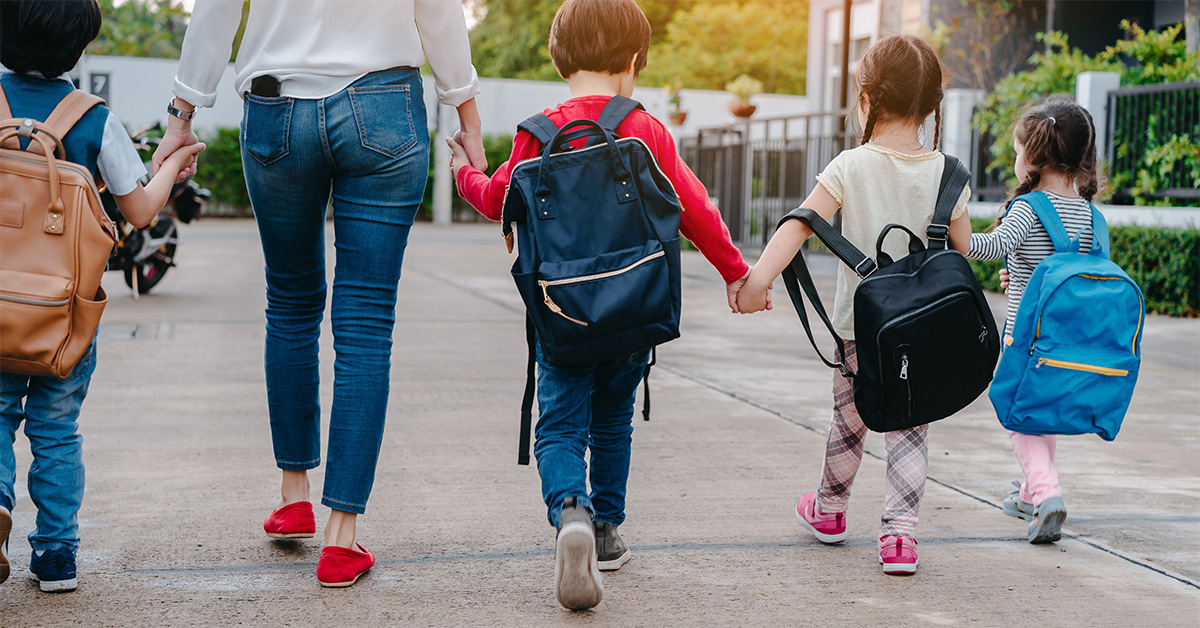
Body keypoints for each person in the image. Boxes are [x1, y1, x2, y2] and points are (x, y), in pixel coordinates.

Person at [154, 0, 485, 588]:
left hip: (277, 108)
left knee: (290, 304)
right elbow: (436, 10)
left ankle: (293, 496)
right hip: (385, 107)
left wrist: (182, 112)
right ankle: (341, 538)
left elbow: (216, 10)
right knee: (364, 323)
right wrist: (466, 111)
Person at [448, 0, 750, 609]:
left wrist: (463, 172)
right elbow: (695, 210)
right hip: (635, 310)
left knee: (560, 424)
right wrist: (737, 273)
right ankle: (607, 531)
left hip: (562, 314)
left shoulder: (539, 132)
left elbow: (496, 200)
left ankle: (572, 514)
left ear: (559, 59)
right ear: (635, 61)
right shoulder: (644, 129)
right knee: (613, 417)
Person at [736, 35, 972, 575]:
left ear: (865, 100)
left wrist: (757, 281)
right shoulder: (949, 174)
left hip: (859, 330)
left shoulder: (849, 165)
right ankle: (900, 539)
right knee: (911, 426)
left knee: (850, 422)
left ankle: (831, 511)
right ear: (934, 106)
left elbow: (801, 222)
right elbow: (963, 250)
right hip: (925, 331)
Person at [0, 0, 205, 592]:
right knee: (56, 430)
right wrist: (174, 165)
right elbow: (140, 210)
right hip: (63, 316)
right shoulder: (92, 118)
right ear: (78, 48)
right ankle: (57, 556)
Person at [963, 97, 1101, 544]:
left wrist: (954, 221)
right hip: (1068, 339)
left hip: (1025, 338)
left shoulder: (1027, 208)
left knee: (1017, 415)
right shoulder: (1089, 212)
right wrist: (1020, 273)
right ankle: (1028, 492)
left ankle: (1047, 492)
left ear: (1033, 157)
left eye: (1018, 150)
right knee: (1042, 413)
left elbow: (986, 247)